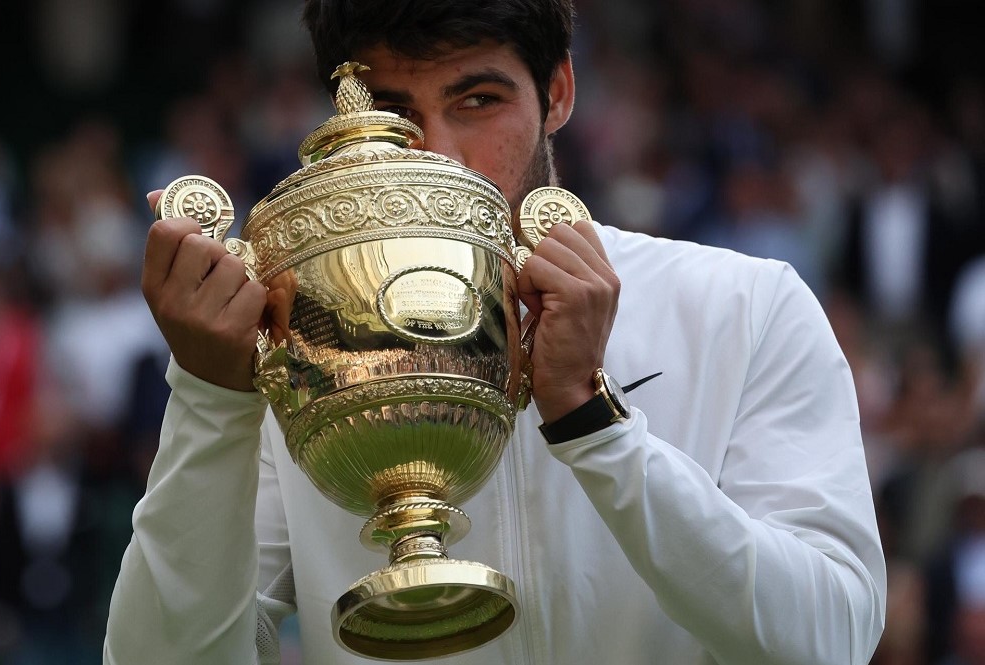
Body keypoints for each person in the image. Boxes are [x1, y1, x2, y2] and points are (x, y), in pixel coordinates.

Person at [103, 1, 887, 663]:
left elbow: (833, 634)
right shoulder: (295, 343)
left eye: (478, 100)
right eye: (394, 114)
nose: (439, 153)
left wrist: (595, 423)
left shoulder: (743, 305)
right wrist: (211, 397)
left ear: (560, 92)